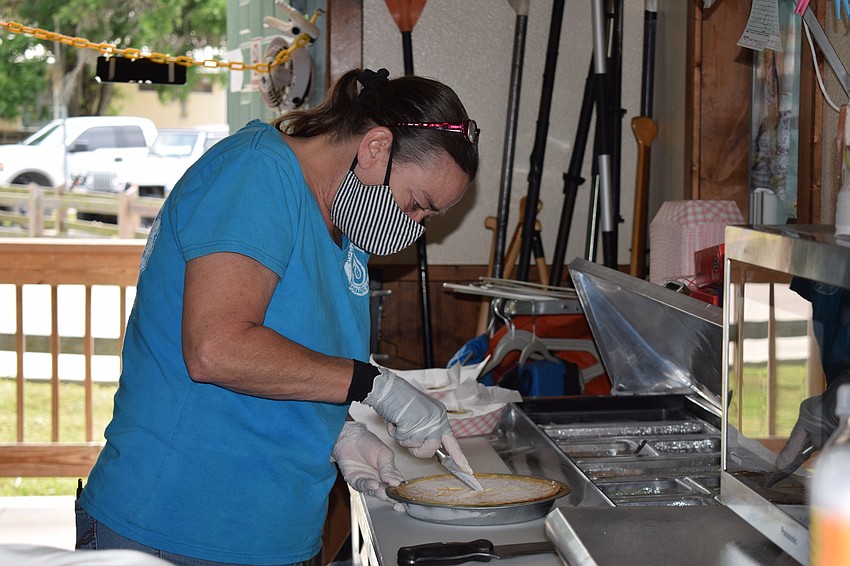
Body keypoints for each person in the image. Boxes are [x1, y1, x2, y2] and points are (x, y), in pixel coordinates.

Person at [75, 67, 480, 565]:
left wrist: (337, 435)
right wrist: (376, 386)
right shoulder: (254, 175)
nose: (416, 227)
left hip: (276, 537)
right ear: (376, 147)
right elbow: (217, 349)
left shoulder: (344, 227)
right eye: (419, 205)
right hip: (175, 529)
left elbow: (286, 364)